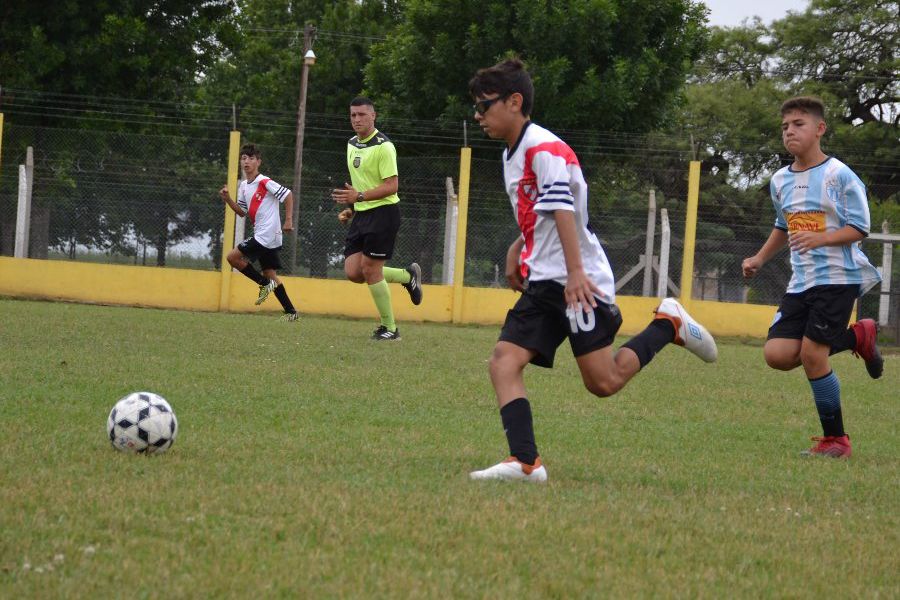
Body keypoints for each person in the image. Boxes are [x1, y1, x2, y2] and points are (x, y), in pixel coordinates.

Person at [467, 58, 718, 483]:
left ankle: (668, 324)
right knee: (503, 361)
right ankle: (526, 463)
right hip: (546, 281)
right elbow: (542, 213)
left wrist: (577, 273)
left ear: (514, 102)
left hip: (578, 282)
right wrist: (518, 248)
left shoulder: (544, 148)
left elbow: (565, 209)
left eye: (484, 105)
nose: (478, 115)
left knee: (604, 382)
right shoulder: (511, 154)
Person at [742, 96, 883, 459]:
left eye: (799, 124)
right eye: (785, 126)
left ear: (819, 129)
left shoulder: (839, 175)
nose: (790, 131)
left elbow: (860, 227)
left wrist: (821, 238)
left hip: (838, 278)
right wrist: (759, 257)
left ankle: (836, 441)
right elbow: (782, 226)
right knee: (777, 354)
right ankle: (858, 335)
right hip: (800, 282)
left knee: (812, 355)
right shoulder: (778, 181)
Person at [332, 96, 422, 341]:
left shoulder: (385, 146)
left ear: (373, 116)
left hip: (384, 213)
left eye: (362, 114)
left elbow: (392, 186)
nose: (357, 119)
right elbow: (360, 184)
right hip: (362, 212)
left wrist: (360, 196)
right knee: (353, 272)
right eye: (353, 115)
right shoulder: (351, 144)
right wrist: (352, 207)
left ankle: (390, 328)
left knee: (371, 269)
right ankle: (407, 276)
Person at [219, 143, 299, 321]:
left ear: (258, 162)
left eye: (251, 158)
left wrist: (288, 220)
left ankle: (264, 285)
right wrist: (227, 199)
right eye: (244, 158)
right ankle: (291, 312)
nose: (246, 161)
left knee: (232, 257)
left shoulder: (264, 181)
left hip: (266, 234)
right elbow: (241, 212)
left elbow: (288, 194)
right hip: (265, 235)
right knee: (270, 274)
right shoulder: (244, 186)